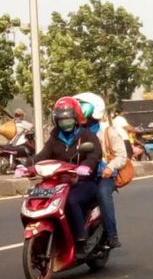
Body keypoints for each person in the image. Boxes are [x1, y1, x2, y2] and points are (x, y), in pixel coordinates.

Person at [17, 97, 101, 259]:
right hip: (60, 182)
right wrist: (25, 166)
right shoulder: (55, 137)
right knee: (37, 197)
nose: (65, 123)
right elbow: (42, 155)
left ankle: (81, 240)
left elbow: (94, 154)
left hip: (83, 182)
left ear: (76, 119)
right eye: (61, 120)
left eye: (68, 119)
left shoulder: (87, 136)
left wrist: (86, 166)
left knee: (71, 201)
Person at [75, 92, 126, 249]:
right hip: (83, 175)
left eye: (81, 107)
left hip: (104, 175)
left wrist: (110, 167)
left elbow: (122, 157)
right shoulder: (75, 132)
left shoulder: (107, 131)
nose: (78, 111)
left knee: (103, 195)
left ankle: (112, 235)